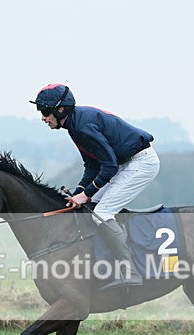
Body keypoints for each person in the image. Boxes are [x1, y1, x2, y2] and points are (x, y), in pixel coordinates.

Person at [30, 83, 160, 290]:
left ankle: (130, 271)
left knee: (102, 213)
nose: (43, 118)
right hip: (125, 163)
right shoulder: (74, 124)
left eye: (45, 112)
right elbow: (92, 166)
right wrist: (78, 193)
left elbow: (109, 166)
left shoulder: (82, 126)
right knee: (88, 208)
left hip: (141, 163)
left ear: (60, 109)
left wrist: (87, 193)